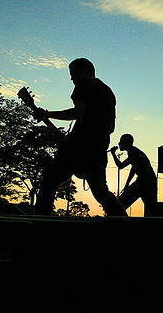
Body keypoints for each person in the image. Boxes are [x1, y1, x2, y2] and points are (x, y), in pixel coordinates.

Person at [33, 58, 126, 216]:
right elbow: (111, 128)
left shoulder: (84, 85)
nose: (72, 78)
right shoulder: (108, 91)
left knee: (49, 182)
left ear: (86, 70)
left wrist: (47, 114)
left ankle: (41, 221)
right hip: (98, 149)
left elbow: (77, 112)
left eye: (74, 73)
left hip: (76, 148)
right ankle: (124, 223)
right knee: (101, 193)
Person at [110, 134, 163, 216]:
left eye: (121, 141)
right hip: (150, 181)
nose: (119, 143)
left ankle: (119, 221)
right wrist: (113, 154)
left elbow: (134, 168)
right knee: (153, 208)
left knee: (120, 203)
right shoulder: (134, 152)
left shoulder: (132, 151)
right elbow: (121, 166)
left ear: (127, 142)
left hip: (143, 181)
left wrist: (127, 185)